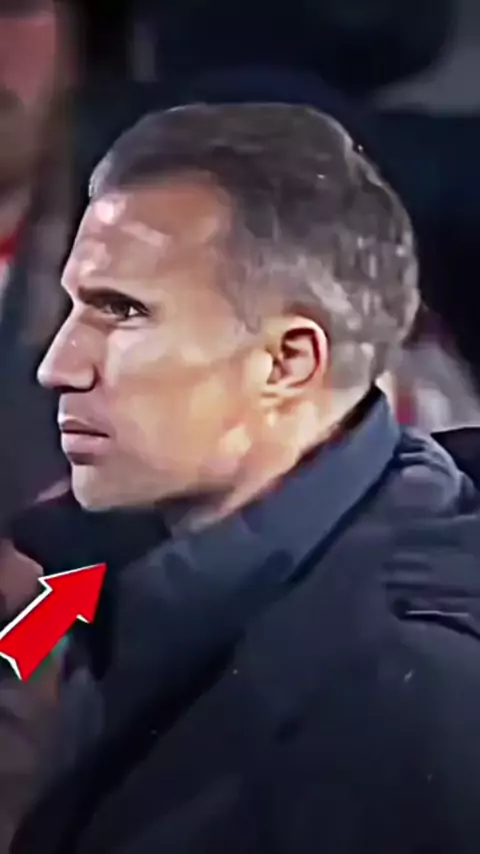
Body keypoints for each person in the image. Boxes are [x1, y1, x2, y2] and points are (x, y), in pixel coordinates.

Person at [11, 103, 480, 854]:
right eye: (76, 306)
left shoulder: (409, 695)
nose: (58, 365)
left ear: (287, 362)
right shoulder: (88, 565)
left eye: (122, 312)